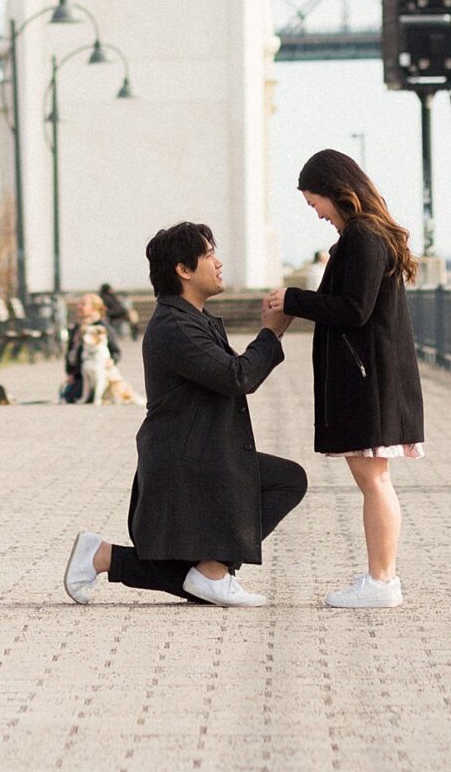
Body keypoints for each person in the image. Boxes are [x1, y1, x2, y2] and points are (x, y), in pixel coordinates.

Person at [64, 220, 306, 609]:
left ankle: (110, 557)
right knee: (283, 484)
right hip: (187, 462)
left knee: (286, 481)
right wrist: (270, 334)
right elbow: (237, 377)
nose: (220, 263)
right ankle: (208, 572)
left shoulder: (191, 317)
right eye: (210, 254)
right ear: (184, 269)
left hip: (203, 454)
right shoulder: (175, 325)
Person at [266, 148, 423, 611]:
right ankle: (381, 578)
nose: (314, 212)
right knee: (373, 478)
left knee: (373, 479)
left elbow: (355, 309)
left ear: (337, 192)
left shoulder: (363, 237)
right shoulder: (366, 236)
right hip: (371, 374)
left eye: (314, 201)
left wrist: (292, 299)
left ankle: (381, 581)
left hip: (368, 378)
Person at [61, 293, 118, 403]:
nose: (79, 307)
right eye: (79, 304)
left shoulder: (101, 327)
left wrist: (112, 360)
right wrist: (70, 373)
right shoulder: (77, 327)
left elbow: (115, 351)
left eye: (83, 304)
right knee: (68, 395)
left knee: (73, 395)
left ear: (94, 307)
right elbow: (70, 352)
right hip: (80, 374)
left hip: (97, 373)